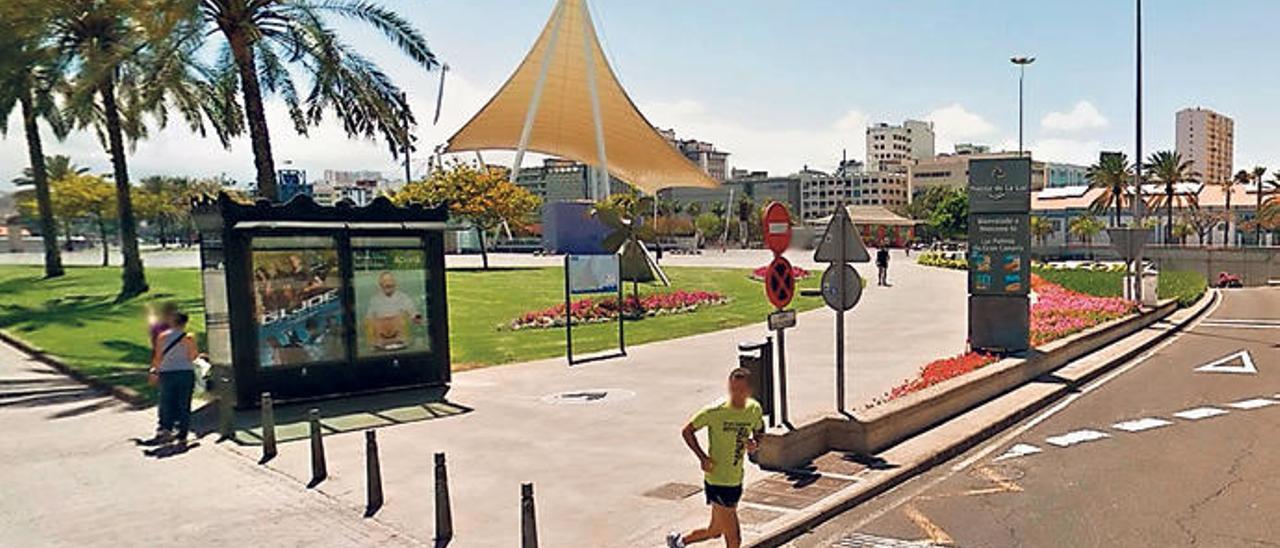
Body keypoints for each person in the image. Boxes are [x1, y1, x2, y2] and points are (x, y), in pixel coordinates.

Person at [667, 368, 764, 548]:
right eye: (732, 389)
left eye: (741, 391)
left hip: (736, 479)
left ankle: (679, 542)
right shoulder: (715, 411)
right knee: (734, 539)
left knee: (716, 530)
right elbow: (687, 431)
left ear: (749, 391)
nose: (736, 395)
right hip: (717, 480)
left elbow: (759, 430)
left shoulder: (754, 409)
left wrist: (755, 443)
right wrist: (703, 458)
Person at [150, 312, 200, 446]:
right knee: (184, 403)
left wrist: (154, 371)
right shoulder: (189, 338)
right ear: (185, 323)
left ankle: (166, 428)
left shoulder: (162, 337)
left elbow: (158, 356)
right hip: (185, 372)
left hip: (167, 373)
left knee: (166, 401)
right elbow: (193, 357)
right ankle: (182, 433)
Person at [364, 271, 423, 351]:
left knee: (401, 318)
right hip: (381, 339)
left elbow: (413, 312)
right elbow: (369, 318)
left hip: (399, 336)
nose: (387, 284)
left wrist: (417, 318)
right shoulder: (374, 300)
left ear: (395, 283)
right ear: (380, 284)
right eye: (385, 282)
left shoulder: (403, 298)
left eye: (390, 281)